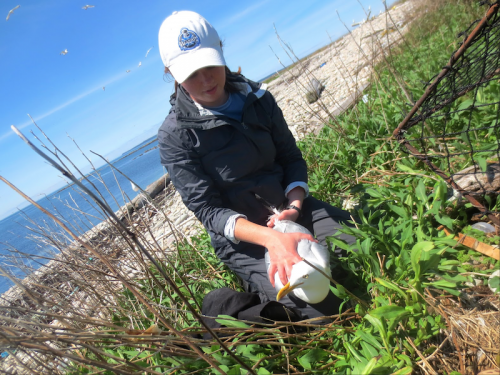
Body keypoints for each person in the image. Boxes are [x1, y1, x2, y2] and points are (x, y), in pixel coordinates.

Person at [157, 10, 356, 320]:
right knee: (320, 309)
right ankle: (252, 286)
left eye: (210, 65)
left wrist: (294, 205)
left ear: (221, 51)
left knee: (362, 246)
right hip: (245, 239)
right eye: (192, 72)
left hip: (292, 209)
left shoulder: (260, 99)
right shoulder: (175, 135)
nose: (206, 79)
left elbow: (290, 158)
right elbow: (207, 210)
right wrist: (272, 240)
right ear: (171, 72)